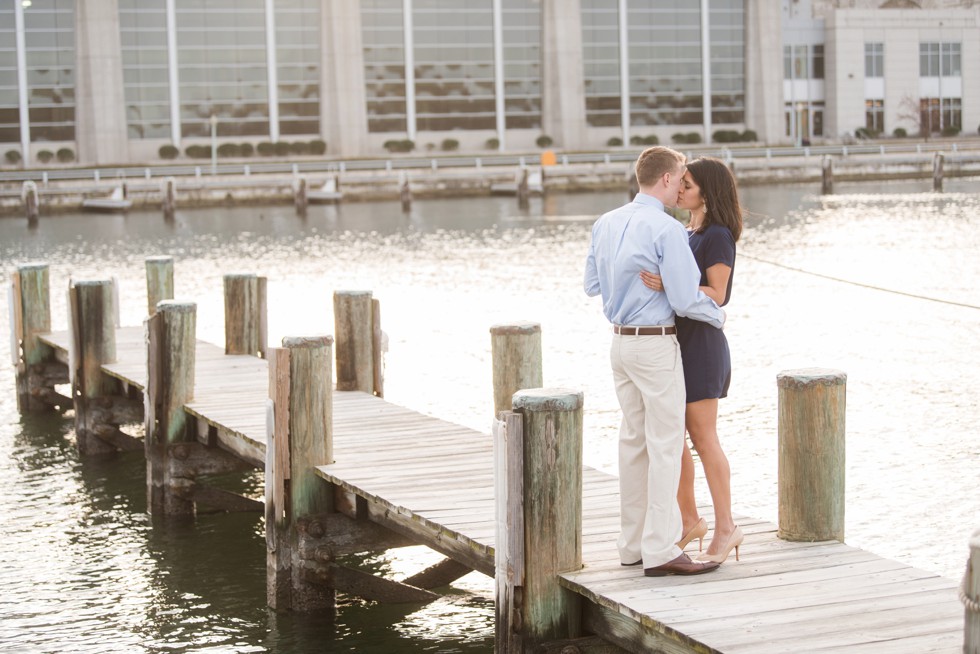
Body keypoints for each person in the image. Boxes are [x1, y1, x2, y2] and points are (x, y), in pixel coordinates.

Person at [584, 146, 726, 577]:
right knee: (664, 446)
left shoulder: (605, 222)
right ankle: (661, 549)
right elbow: (685, 299)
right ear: (666, 179)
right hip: (654, 344)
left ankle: (631, 546)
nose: (681, 184)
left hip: (619, 344)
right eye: (680, 176)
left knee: (633, 444)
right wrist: (717, 313)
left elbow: (592, 285)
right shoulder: (665, 230)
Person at [639, 156, 744, 564]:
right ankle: (689, 520)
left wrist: (671, 284)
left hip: (702, 346)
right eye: (680, 183)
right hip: (673, 343)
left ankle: (726, 527)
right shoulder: (683, 231)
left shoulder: (718, 235)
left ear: (708, 191)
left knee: (702, 437)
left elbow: (718, 293)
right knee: (672, 436)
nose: (680, 190)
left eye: (688, 184)